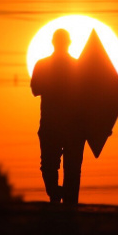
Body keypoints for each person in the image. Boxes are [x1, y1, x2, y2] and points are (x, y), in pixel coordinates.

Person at [30, 29, 87, 206]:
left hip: (67, 125)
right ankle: (58, 196)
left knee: (64, 167)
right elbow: (35, 89)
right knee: (53, 166)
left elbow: (90, 97)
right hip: (57, 125)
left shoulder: (78, 66)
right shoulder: (76, 66)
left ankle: (65, 202)